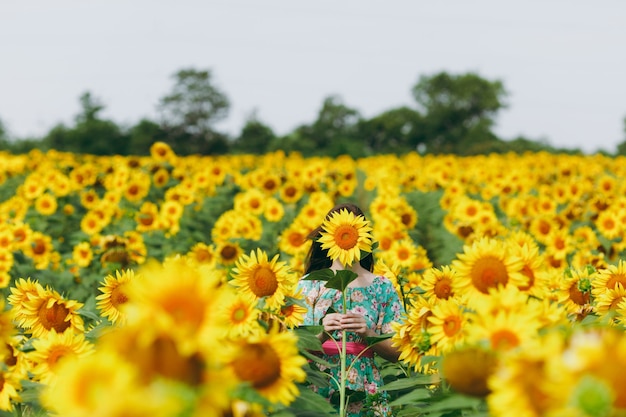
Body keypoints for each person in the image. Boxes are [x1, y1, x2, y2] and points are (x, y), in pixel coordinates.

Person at [298, 203, 404, 417]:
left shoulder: (381, 286)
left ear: (363, 238)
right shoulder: (309, 285)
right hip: (319, 382)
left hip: (364, 384)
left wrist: (369, 334)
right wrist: (320, 333)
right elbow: (293, 349)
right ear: (329, 236)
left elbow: (398, 352)